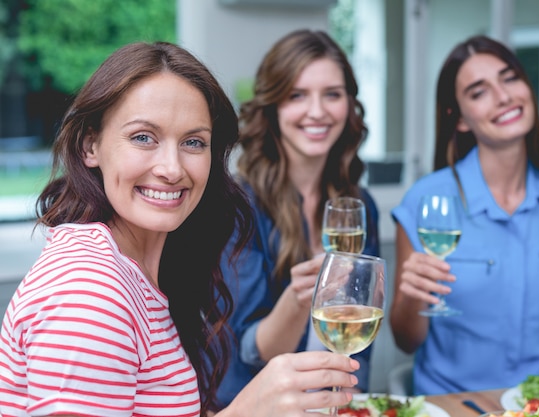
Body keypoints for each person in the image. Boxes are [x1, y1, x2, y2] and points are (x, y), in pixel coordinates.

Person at [0, 41, 362, 417]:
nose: (172, 168)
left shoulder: (138, 275)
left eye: (193, 142)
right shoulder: (88, 293)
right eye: (143, 137)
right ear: (91, 144)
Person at [389, 35, 539, 395]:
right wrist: (411, 296)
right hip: (457, 397)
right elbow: (407, 340)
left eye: (509, 77)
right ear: (460, 118)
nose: (503, 96)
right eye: (478, 91)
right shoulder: (426, 199)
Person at [215, 29, 380, 405]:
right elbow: (250, 351)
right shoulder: (237, 206)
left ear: (349, 106)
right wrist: (298, 298)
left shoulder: (360, 206)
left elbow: (358, 340)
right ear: (273, 107)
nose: (318, 111)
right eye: (297, 96)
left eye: (332, 95)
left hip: (340, 402)